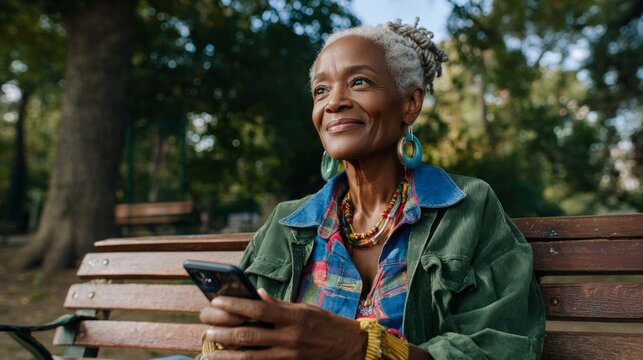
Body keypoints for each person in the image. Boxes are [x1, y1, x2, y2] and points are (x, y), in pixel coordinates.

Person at [198, 19, 545, 360]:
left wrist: (360, 348)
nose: (334, 102)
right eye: (321, 90)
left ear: (410, 103)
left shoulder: (468, 208)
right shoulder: (287, 223)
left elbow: (500, 346)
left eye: (359, 82)